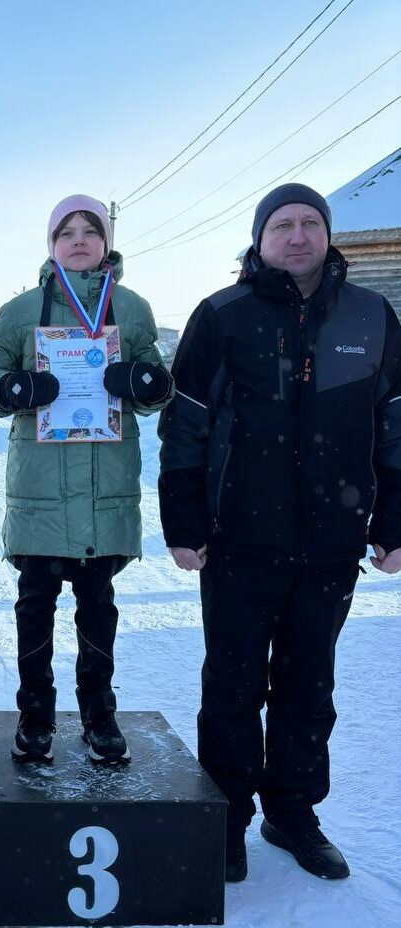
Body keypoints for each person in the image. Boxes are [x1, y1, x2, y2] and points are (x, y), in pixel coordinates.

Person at [158, 183, 401, 883]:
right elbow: (186, 426)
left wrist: (391, 523)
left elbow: (394, 426)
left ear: (327, 236)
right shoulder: (221, 316)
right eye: (281, 225)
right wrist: (182, 520)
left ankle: (291, 813)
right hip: (236, 540)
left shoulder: (372, 316)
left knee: (308, 687)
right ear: (259, 239)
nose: (296, 236)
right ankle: (227, 818)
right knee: (232, 687)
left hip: (330, 543)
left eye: (309, 224)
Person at [0, 195, 173, 765]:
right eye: (68, 231)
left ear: (107, 240)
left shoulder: (131, 310)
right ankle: (35, 714)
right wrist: (15, 389)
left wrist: (141, 379)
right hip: (40, 488)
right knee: (34, 604)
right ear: (52, 244)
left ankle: (98, 714)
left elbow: (158, 390)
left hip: (103, 489)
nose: (80, 239)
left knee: (98, 605)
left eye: (92, 229)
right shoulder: (21, 311)